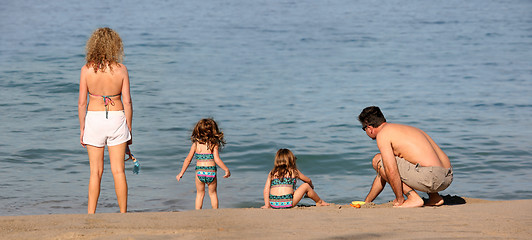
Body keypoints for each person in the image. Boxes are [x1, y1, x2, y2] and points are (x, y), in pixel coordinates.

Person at [78, 27, 133, 214]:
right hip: (117, 118)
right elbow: (127, 102)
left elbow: (81, 103)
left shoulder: (86, 70)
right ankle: (123, 213)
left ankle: (91, 214)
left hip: (94, 119)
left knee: (95, 172)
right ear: (115, 46)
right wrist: (129, 130)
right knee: (119, 171)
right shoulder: (122, 70)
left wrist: (82, 129)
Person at [358, 106, 453, 208]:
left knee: (378, 159)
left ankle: (413, 198)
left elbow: (391, 170)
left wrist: (399, 198)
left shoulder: (383, 134)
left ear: (369, 128)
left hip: (432, 177)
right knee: (385, 163)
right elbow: (382, 173)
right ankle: (435, 198)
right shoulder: (405, 129)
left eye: (364, 129)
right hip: (447, 177)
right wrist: (367, 202)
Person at [176, 118, 231, 209]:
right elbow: (217, 159)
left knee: (200, 194)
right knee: (213, 194)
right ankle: (215, 213)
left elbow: (187, 160)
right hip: (211, 172)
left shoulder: (196, 144)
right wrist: (226, 169)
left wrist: (181, 173)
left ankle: (198, 213)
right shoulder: (214, 144)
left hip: (199, 172)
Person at [261, 149, 329, 209]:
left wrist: (267, 205)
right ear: (291, 160)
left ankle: (268, 205)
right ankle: (319, 201)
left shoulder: (272, 173)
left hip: (273, 204)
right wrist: (311, 186)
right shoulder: (293, 171)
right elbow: (308, 180)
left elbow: (266, 190)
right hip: (288, 203)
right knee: (306, 185)